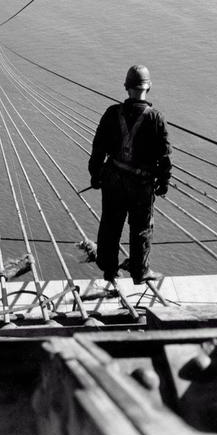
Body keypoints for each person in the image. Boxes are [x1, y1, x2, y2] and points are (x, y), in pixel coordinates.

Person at [88, 65, 171, 283]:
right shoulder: (156, 119)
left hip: (113, 180)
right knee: (141, 228)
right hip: (141, 185)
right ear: (149, 87)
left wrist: (95, 175)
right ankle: (140, 272)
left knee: (110, 225)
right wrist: (163, 182)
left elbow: (98, 148)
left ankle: (109, 270)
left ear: (126, 88)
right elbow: (164, 158)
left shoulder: (112, 113)